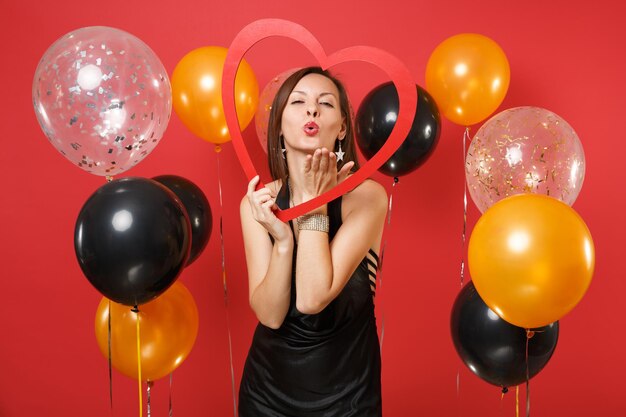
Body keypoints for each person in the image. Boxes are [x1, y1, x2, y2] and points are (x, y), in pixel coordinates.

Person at [238, 67, 387, 416]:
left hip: (347, 396)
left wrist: (315, 206)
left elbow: (312, 298)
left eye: (325, 103)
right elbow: (270, 315)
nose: (312, 110)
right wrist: (283, 243)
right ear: (278, 125)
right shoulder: (258, 204)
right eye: (298, 101)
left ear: (343, 127)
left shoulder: (368, 198)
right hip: (267, 393)